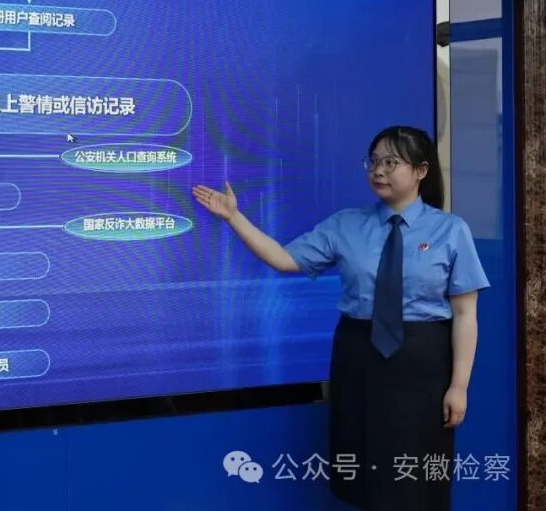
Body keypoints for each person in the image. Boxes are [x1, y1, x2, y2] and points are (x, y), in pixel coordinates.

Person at [191, 126, 489, 510]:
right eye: (373, 161)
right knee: (364, 471)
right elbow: (284, 258)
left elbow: (465, 314)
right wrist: (234, 217)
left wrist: (459, 386)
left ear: (420, 170)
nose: (378, 170)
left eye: (391, 162)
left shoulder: (451, 230)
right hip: (359, 355)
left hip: (424, 363)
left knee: (417, 478)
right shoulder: (346, 225)